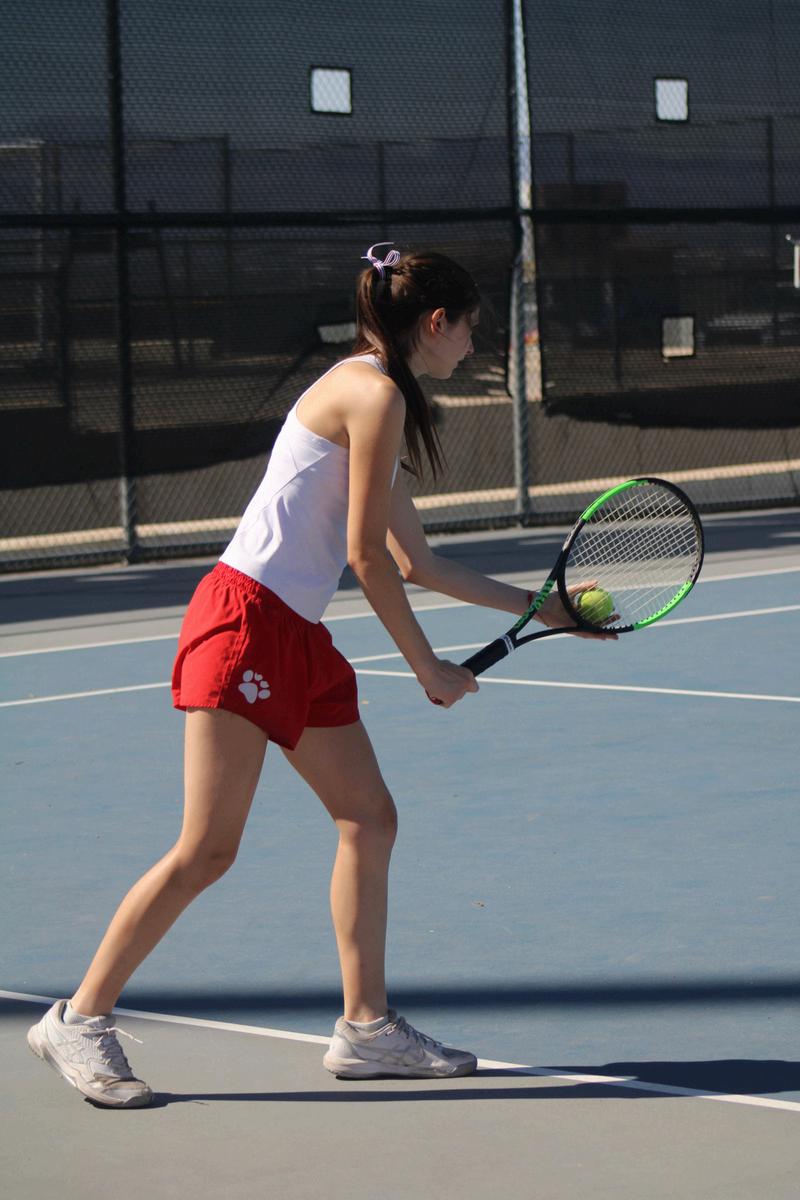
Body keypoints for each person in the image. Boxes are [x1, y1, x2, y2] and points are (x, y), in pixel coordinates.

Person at [27, 243, 612, 1108]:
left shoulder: (381, 397)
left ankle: (367, 1029)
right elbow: (365, 557)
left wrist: (545, 608)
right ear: (436, 322)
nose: (473, 347)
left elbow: (417, 561)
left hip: (295, 633)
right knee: (208, 850)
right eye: (470, 330)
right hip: (243, 625)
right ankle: (78, 1019)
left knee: (368, 818)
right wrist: (427, 666)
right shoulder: (372, 394)